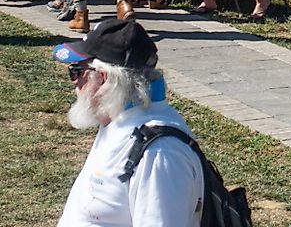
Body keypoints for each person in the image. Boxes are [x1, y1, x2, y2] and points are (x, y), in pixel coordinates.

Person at [53, 18, 204, 226]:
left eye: (76, 71)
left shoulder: (159, 153)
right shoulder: (120, 122)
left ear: (103, 78)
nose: (74, 84)